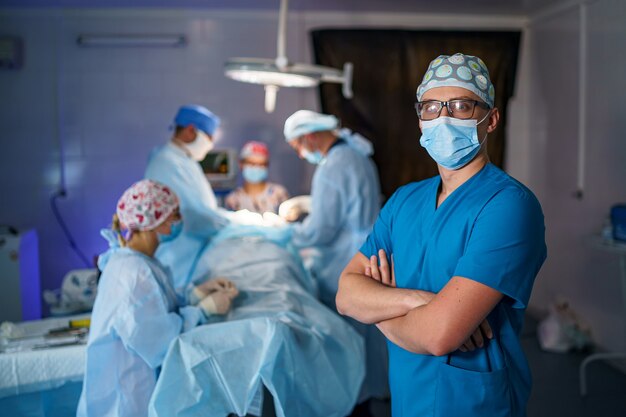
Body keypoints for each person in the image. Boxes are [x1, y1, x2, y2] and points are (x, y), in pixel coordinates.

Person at [336, 53, 547, 417]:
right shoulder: (405, 200)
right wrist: (419, 301)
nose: (443, 118)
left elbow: (438, 335)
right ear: (420, 120)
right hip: (407, 394)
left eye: (461, 106)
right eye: (431, 107)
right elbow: (346, 295)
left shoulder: (509, 206)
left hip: (472, 402)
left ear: (491, 119)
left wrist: (379, 308)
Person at [77, 179, 239, 417]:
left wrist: (194, 295)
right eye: (175, 214)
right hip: (126, 401)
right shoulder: (132, 274)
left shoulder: (139, 261)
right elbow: (160, 341)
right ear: (157, 222)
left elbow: (159, 305)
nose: (179, 220)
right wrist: (203, 310)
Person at [283, 110, 387, 416]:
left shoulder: (333, 166)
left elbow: (321, 231)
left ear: (310, 137)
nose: (302, 154)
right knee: (367, 337)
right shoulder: (355, 154)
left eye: (298, 147)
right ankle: (372, 394)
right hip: (368, 253)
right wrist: (307, 205)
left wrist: (287, 234)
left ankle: (355, 402)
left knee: (348, 341)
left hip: (345, 260)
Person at [145, 105, 230, 292]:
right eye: (209, 138)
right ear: (191, 130)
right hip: (178, 261)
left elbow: (205, 209)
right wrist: (233, 224)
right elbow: (192, 216)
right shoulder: (165, 162)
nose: (210, 145)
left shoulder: (185, 161)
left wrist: (229, 219)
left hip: (193, 257)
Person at [224, 140, 289, 214]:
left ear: (267, 166)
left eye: (261, 164)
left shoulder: (278, 194)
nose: (257, 168)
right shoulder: (233, 199)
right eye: (252, 163)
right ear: (241, 164)